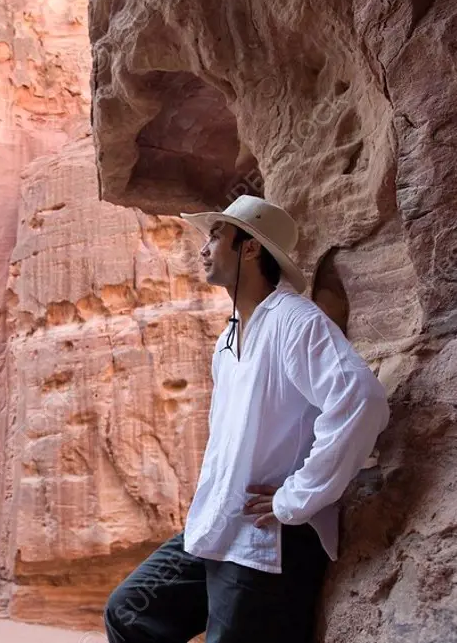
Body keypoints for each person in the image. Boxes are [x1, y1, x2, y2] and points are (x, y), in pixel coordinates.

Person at [104, 195, 391, 643]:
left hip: (267, 543)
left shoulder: (296, 321)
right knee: (128, 612)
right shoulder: (228, 339)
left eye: (216, 235)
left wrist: (294, 498)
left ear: (251, 247)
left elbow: (361, 400)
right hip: (217, 527)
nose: (203, 248)